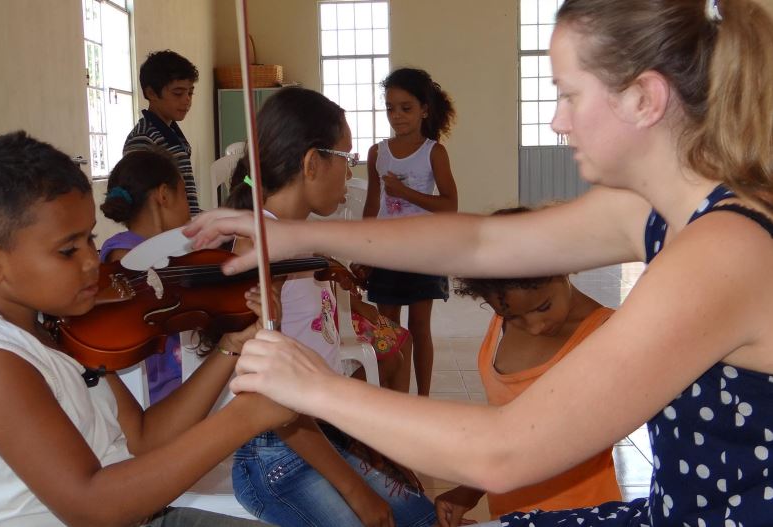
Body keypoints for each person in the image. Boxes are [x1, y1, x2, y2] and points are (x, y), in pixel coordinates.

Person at [186, 0, 773, 525]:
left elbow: (504, 451)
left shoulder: (721, 252)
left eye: (569, 94)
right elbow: (480, 245)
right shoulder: (653, 206)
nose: (557, 119)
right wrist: (287, 237)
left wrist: (311, 386)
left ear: (645, 98)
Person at [0, 131, 292, 527]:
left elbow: (144, 438)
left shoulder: (62, 328)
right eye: (68, 250)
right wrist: (243, 418)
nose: (91, 262)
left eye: (90, 239)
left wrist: (231, 347)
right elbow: (90, 506)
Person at [224, 87, 436, 527]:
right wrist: (358, 490)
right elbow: (270, 396)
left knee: (420, 516)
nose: (351, 170)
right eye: (347, 157)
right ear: (311, 163)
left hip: (320, 425)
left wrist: (373, 444)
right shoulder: (261, 244)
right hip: (279, 449)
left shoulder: (294, 237)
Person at [436, 209, 622, 525]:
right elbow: (506, 430)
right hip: (510, 511)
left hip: (583, 515)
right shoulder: (502, 320)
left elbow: (554, 440)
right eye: (515, 315)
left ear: (563, 269)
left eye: (544, 307)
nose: (534, 326)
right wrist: (468, 492)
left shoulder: (606, 335)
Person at [362, 67, 458, 396]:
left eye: (406, 108)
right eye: (390, 108)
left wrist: (406, 194)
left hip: (423, 251)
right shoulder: (378, 153)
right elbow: (372, 207)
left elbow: (449, 205)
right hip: (387, 252)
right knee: (388, 329)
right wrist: (366, 251)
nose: (397, 116)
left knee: (419, 327)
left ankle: (424, 398)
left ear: (424, 110)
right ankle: (394, 395)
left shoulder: (434, 152)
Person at [99, 149, 192, 404]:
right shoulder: (122, 252)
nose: (189, 208)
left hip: (182, 376)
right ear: (164, 195)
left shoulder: (179, 249)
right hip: (153, 388)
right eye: (184, 195)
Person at [124, 50, 201, 215]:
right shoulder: (143, 138)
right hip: (162, 235)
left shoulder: (172, 132)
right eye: (178, 93)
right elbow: (141, 201)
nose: (187, 99)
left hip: (181, 228)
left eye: (190, 92)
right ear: (151, 93)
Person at [325, 262, 413, 392]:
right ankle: (339, 395)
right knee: (392, 359)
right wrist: (354, 303)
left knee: (405, 340)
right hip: (335, 314)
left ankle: (401, 408)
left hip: (344, 307)